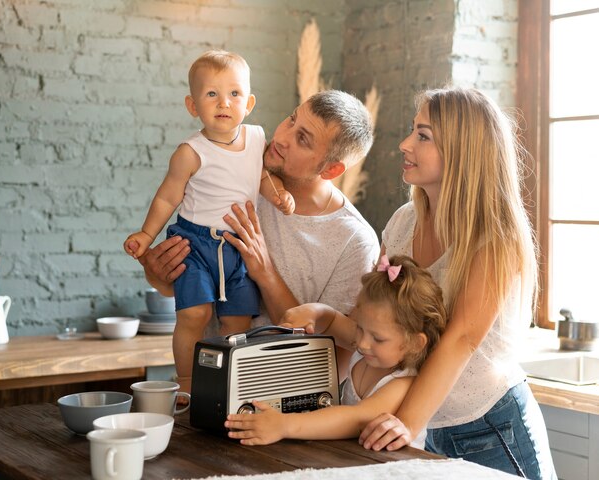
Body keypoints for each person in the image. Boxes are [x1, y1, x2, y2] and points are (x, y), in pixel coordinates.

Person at [358, 87, 556, 479]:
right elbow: (379, 318)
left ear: (462, 152)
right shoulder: (402, 223)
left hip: (495, 430)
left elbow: (461, 337)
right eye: (413, 131)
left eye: (423, 136)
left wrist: (407, 424)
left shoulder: (493, 239)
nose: (404, 144)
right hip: (435, 426)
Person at [137, 89, 380, 390]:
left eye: (303, 139)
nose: (282, 137)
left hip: (282, 415)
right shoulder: (238, 179)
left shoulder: (354, 241)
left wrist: (265, 273)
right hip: (205, 393)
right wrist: (159, 274)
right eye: (291, 119)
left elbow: (328, 369)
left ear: (332, 169)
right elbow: (187, 287)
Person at [123, 50, 295, 395]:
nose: (224, 103)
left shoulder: (257, 139)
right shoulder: (190, 151)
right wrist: (146, 233)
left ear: (248, 103)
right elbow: (167, 197)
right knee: (194, 315)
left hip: (238, 245)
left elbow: (259, 176)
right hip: (195, 243)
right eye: (211, 94)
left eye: (234, 94)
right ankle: (186, 381)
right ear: (192, 105)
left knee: (237, 321)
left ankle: (228, 382)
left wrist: (277, 194)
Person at [224, 255, 446, 447]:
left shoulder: (403, 382)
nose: (362, 343)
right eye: (359, 327)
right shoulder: (369, 348)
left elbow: (357, 419)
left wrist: (284, 425)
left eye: (377, 338)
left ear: (415, 343)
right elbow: (331, 320)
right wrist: (314, 312)